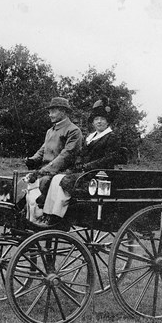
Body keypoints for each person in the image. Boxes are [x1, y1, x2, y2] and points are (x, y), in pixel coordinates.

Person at [36, 96, 124, 227]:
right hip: (87, 172)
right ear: (93, 122)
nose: (99, 122)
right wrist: (78, 164)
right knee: (56, 178)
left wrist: (86, 166)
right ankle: (47, 214)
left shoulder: (112, 137)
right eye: (96, 119)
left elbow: (108, 159)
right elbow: (81, 155)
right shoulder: (91, 137)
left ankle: (57, 217)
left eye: (102, 119)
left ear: (108, 122)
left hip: (100, 176)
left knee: (63, 181)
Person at [24, 96, 83, 212]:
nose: (50, 115)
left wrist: (43, 171)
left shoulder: (73, 131)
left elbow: (66, 155)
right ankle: (27, 214)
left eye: (53, 111)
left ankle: (46, 215)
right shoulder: (50, 131)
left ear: (64, 112)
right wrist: (32, 160)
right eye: (49, 112)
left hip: (62, 172)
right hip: (46, 170)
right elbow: (43, 150)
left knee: (43, 182)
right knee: (23, 182)